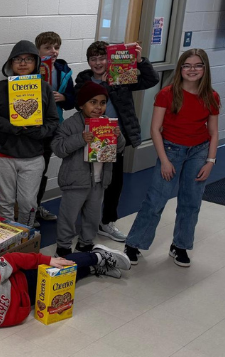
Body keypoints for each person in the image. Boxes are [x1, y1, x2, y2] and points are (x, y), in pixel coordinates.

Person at [125, 49, 219, 268]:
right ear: (180, 69)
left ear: (205, 69)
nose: (192, 70)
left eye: (198, 65)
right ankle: (134, 244)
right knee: (156, 200)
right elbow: (155, 129)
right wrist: (165, 160)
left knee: (191, 202)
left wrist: (210, 161)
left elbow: (213, 132)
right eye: (187, 65)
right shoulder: (168, 93)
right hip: (171, 150)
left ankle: (180, 246)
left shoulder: (211, 96)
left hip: (199, 152)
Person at [0, 246, 131, 336]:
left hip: (25, 283)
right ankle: (95, 269)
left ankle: (99, 256)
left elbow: (13, 259)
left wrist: (46, 259)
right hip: (28, 303)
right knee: (67, 284)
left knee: (60, 268)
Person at [75, 40, 159, 243]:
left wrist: (140, 61)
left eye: (102, 58)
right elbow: (80, 99)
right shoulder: (84, 80)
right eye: (93, 59)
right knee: (92, 183)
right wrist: (103, 84)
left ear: (109, 58)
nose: (98, 62)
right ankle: (88, 221)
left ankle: (107, 222)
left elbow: (151, 80)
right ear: (88, 62)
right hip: (93, 139)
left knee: (114, 183)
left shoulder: (121, 75)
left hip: (116, 139)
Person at [0, 40, 59, 229]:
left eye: (28, 59)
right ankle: (8, 237)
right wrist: (12, 126)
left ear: (36, 63)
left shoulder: (44, 88)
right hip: (3, 154)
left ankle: (25, 234)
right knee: (5, 201)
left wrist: (40, 132)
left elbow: (53, 121)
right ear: (10, 63)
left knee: (28, 203)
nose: (23, 63)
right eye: (18, 59)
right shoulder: (0, 88)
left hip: (33, 155)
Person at [51, 82, 125, 257]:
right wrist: (81, 138)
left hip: (99, 181)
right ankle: (63, 247)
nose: (98, 107)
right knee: (68, 216)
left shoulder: (107, 122)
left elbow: (119, 148)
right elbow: (58, 148)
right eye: (93, 102)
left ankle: (86, 244)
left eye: (102, 102)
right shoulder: (70, 124)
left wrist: (118, 136)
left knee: (93, 216)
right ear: (82, 104)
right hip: (75, 181)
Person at [34, 31, 76, 224]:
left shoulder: (63, 70)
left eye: (56, 47)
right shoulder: (28, 68)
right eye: (48, 47)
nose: (53, 51)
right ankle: (25, 209)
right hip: (30, 128)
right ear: (38, 50)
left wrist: (64, 97)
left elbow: (72, 101)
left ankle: (35, 206)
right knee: (29, 170)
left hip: (52, 127)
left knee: (42, 168)